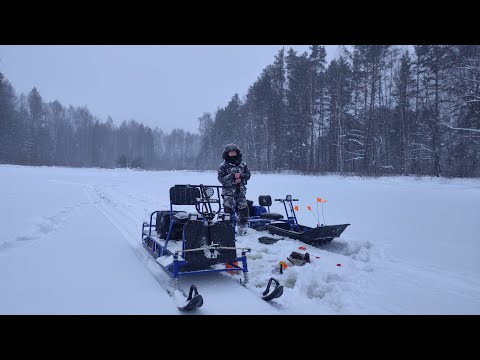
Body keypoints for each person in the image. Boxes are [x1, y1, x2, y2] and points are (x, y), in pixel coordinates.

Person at [218, 143, 251, 235]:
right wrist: (232, 176)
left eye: (234, 152)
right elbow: (221, 179)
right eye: (231, 152)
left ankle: (243, 228)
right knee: (228, 211)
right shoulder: (223, 166)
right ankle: (228, 229)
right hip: (228, 193)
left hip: (240, 192)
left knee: (243, 210)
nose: (232, 154)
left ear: (237, 153)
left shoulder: (243, 164)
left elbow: (248, 175)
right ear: (227, 153)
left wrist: (241, 176)